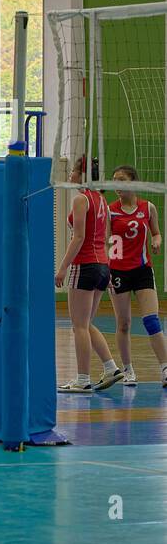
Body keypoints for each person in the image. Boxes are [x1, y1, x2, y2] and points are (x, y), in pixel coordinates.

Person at [56, 158, 122, 392]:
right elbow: (102, 237)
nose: (71, 174)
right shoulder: (103, 200)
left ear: (82, 174)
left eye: (74, 170)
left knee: (79, 326)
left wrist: (63, 267)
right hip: (102, 266)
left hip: (85, 265)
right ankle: (111, 367)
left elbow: (79, 236)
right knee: (85, 323)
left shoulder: (81, 199)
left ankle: (82, 380)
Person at [106, 165, 166, 387]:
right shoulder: (110, 210)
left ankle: (165, 368)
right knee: (123, 324)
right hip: (118, 271)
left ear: (133, 182)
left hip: (142, 270)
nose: (116, 185)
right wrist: (106, 270)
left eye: (121, 180)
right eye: (114, 180)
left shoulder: (147, 208)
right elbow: (104, 243)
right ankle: (128, 370)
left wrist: (157, 241)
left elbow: (157, 232)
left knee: (151, 320)